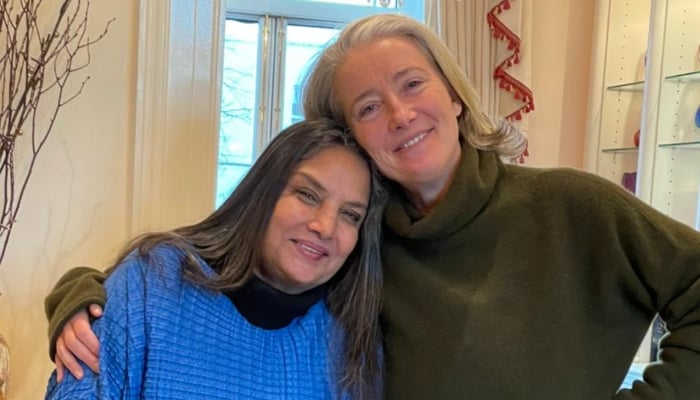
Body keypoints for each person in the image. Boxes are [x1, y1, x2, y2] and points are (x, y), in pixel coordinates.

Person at [45, 13, 700, 400]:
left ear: (454, 95)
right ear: (350, 138)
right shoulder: (359, 241)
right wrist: (87, 294)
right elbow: (233, 274)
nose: (400, 114)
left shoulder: (573, 207)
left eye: (413, 84)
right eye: (367, 107)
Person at [43, 119, 387, 400]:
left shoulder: (350, 345)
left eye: (351, 215)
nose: (325, 226)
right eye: (307, 194)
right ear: (262, 193)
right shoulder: (154, 283)